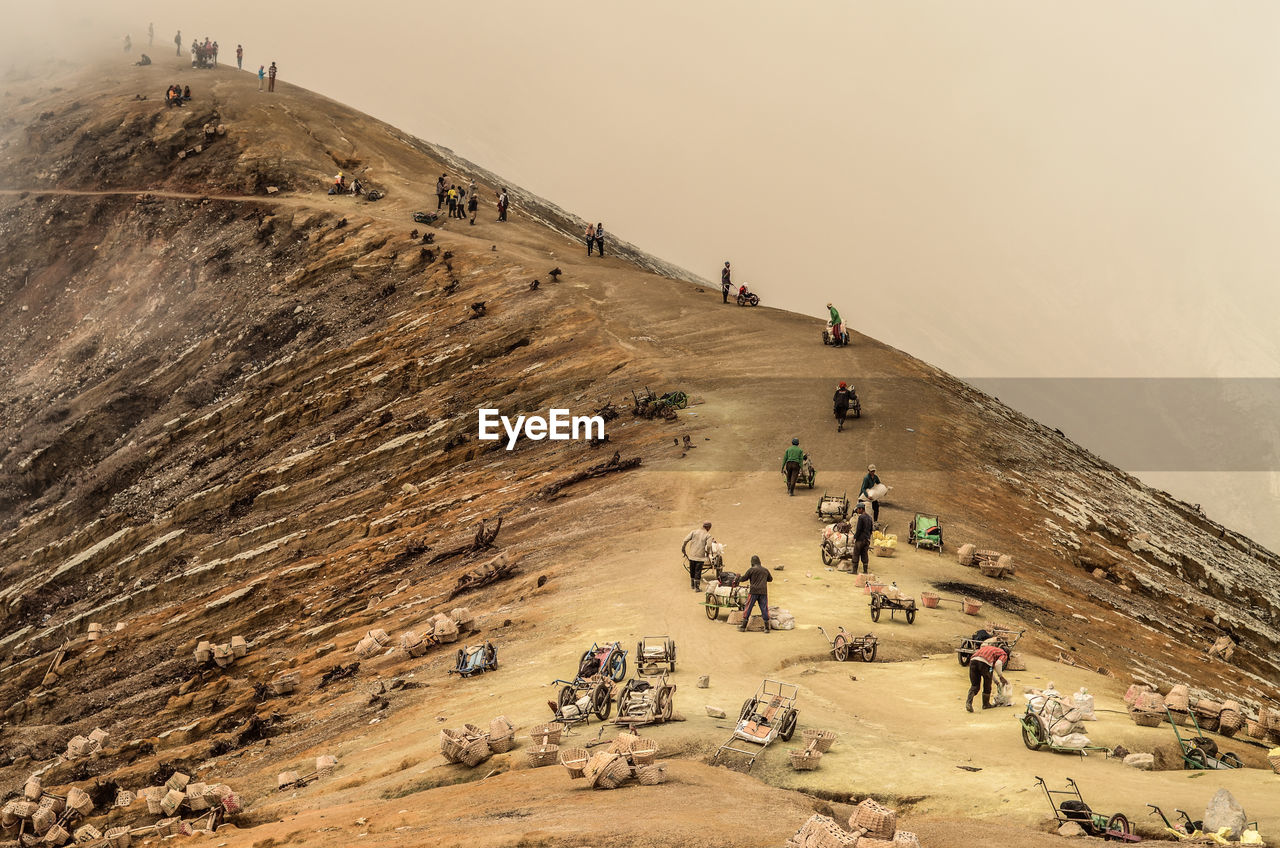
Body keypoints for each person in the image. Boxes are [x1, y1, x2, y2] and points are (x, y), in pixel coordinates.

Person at [966, 641, 1009, 712]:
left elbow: (990, 670)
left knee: (975, 685)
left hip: (973, 661)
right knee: (987, 685)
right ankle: (985, 704)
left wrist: (996, 682)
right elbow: (998, 664)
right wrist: (1001, 677)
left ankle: (969, 703)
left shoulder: (990, 649)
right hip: (985, 664)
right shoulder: (1003, 653)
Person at [738, 555, 773, 633]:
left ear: (752, 563)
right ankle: (767, 628)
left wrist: (738, 578)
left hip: (753, 592)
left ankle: (743, 626)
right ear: (759, 562)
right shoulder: (765, 570)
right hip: (763, 592)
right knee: (764, 608)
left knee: (748, 607)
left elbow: (744, 578)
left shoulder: (751, 570)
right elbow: (770, 579)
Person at [681, 521, 714, 591]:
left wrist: (683, 549)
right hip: (700, 557)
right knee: (698, 571)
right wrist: (708, 553)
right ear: (708, 527)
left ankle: (692, 585)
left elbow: (685, 540)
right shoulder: (708, 535)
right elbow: (709, 545)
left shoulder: (693, 532)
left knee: (692, 570)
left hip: (692, 556)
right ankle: (697, 587)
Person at [851, 500, 873, 573]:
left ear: (861, 509)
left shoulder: (861, 517)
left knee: (856, 554)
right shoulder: (870, 518)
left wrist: (855, 537)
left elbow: (859, 529)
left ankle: (854, 571)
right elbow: (871, 530)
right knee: (864, 554)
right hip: (867, 539)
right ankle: (865, 571)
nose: (857, 510)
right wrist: (868, 537)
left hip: (860, 539)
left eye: (858, 509)